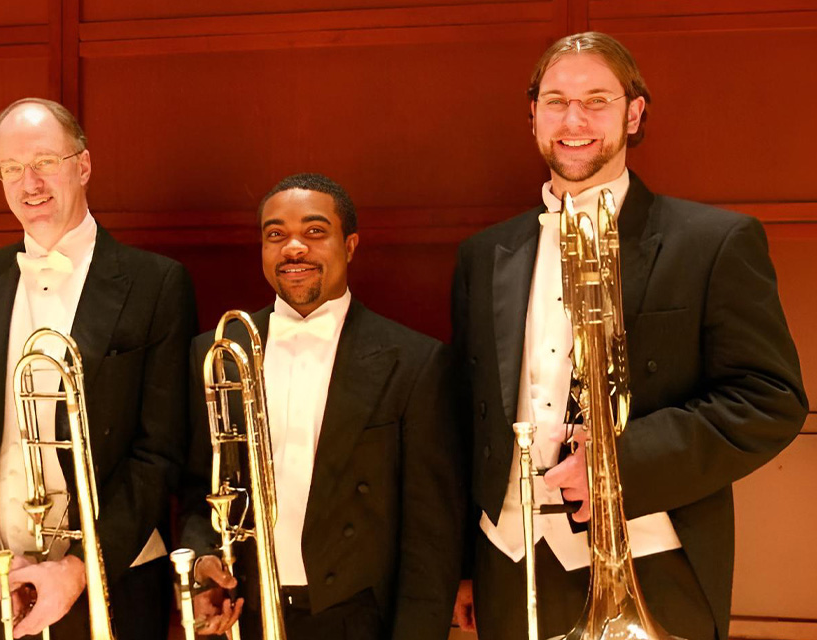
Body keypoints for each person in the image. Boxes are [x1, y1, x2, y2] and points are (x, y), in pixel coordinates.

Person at [450, 32, 807, 640]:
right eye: (556, 101)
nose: (574, 120)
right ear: (533, 114)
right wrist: (461, 564)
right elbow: (464, 417)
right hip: (508, 565)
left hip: (654, 560)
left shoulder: (713, 242)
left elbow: (768, 401)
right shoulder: (485, 254)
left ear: (633, 112)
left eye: (597, 100)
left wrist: (617, 467)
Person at [0, 97, 197, 639]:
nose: (29, 182)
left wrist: (79, 568)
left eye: (45, 161)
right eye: (12, 169)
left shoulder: (157, 284)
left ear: (83, 166)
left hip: (116, 578)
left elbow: (161, 450)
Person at [180, 173, 464, 640]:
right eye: (276, 235)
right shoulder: (215, 352)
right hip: (245, 613)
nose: (294, 248)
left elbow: (431, 537)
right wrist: (203, 558)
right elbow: (199, 487)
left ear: (350, 245)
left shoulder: (414, 361)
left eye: (315, 232)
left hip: (356, 619)